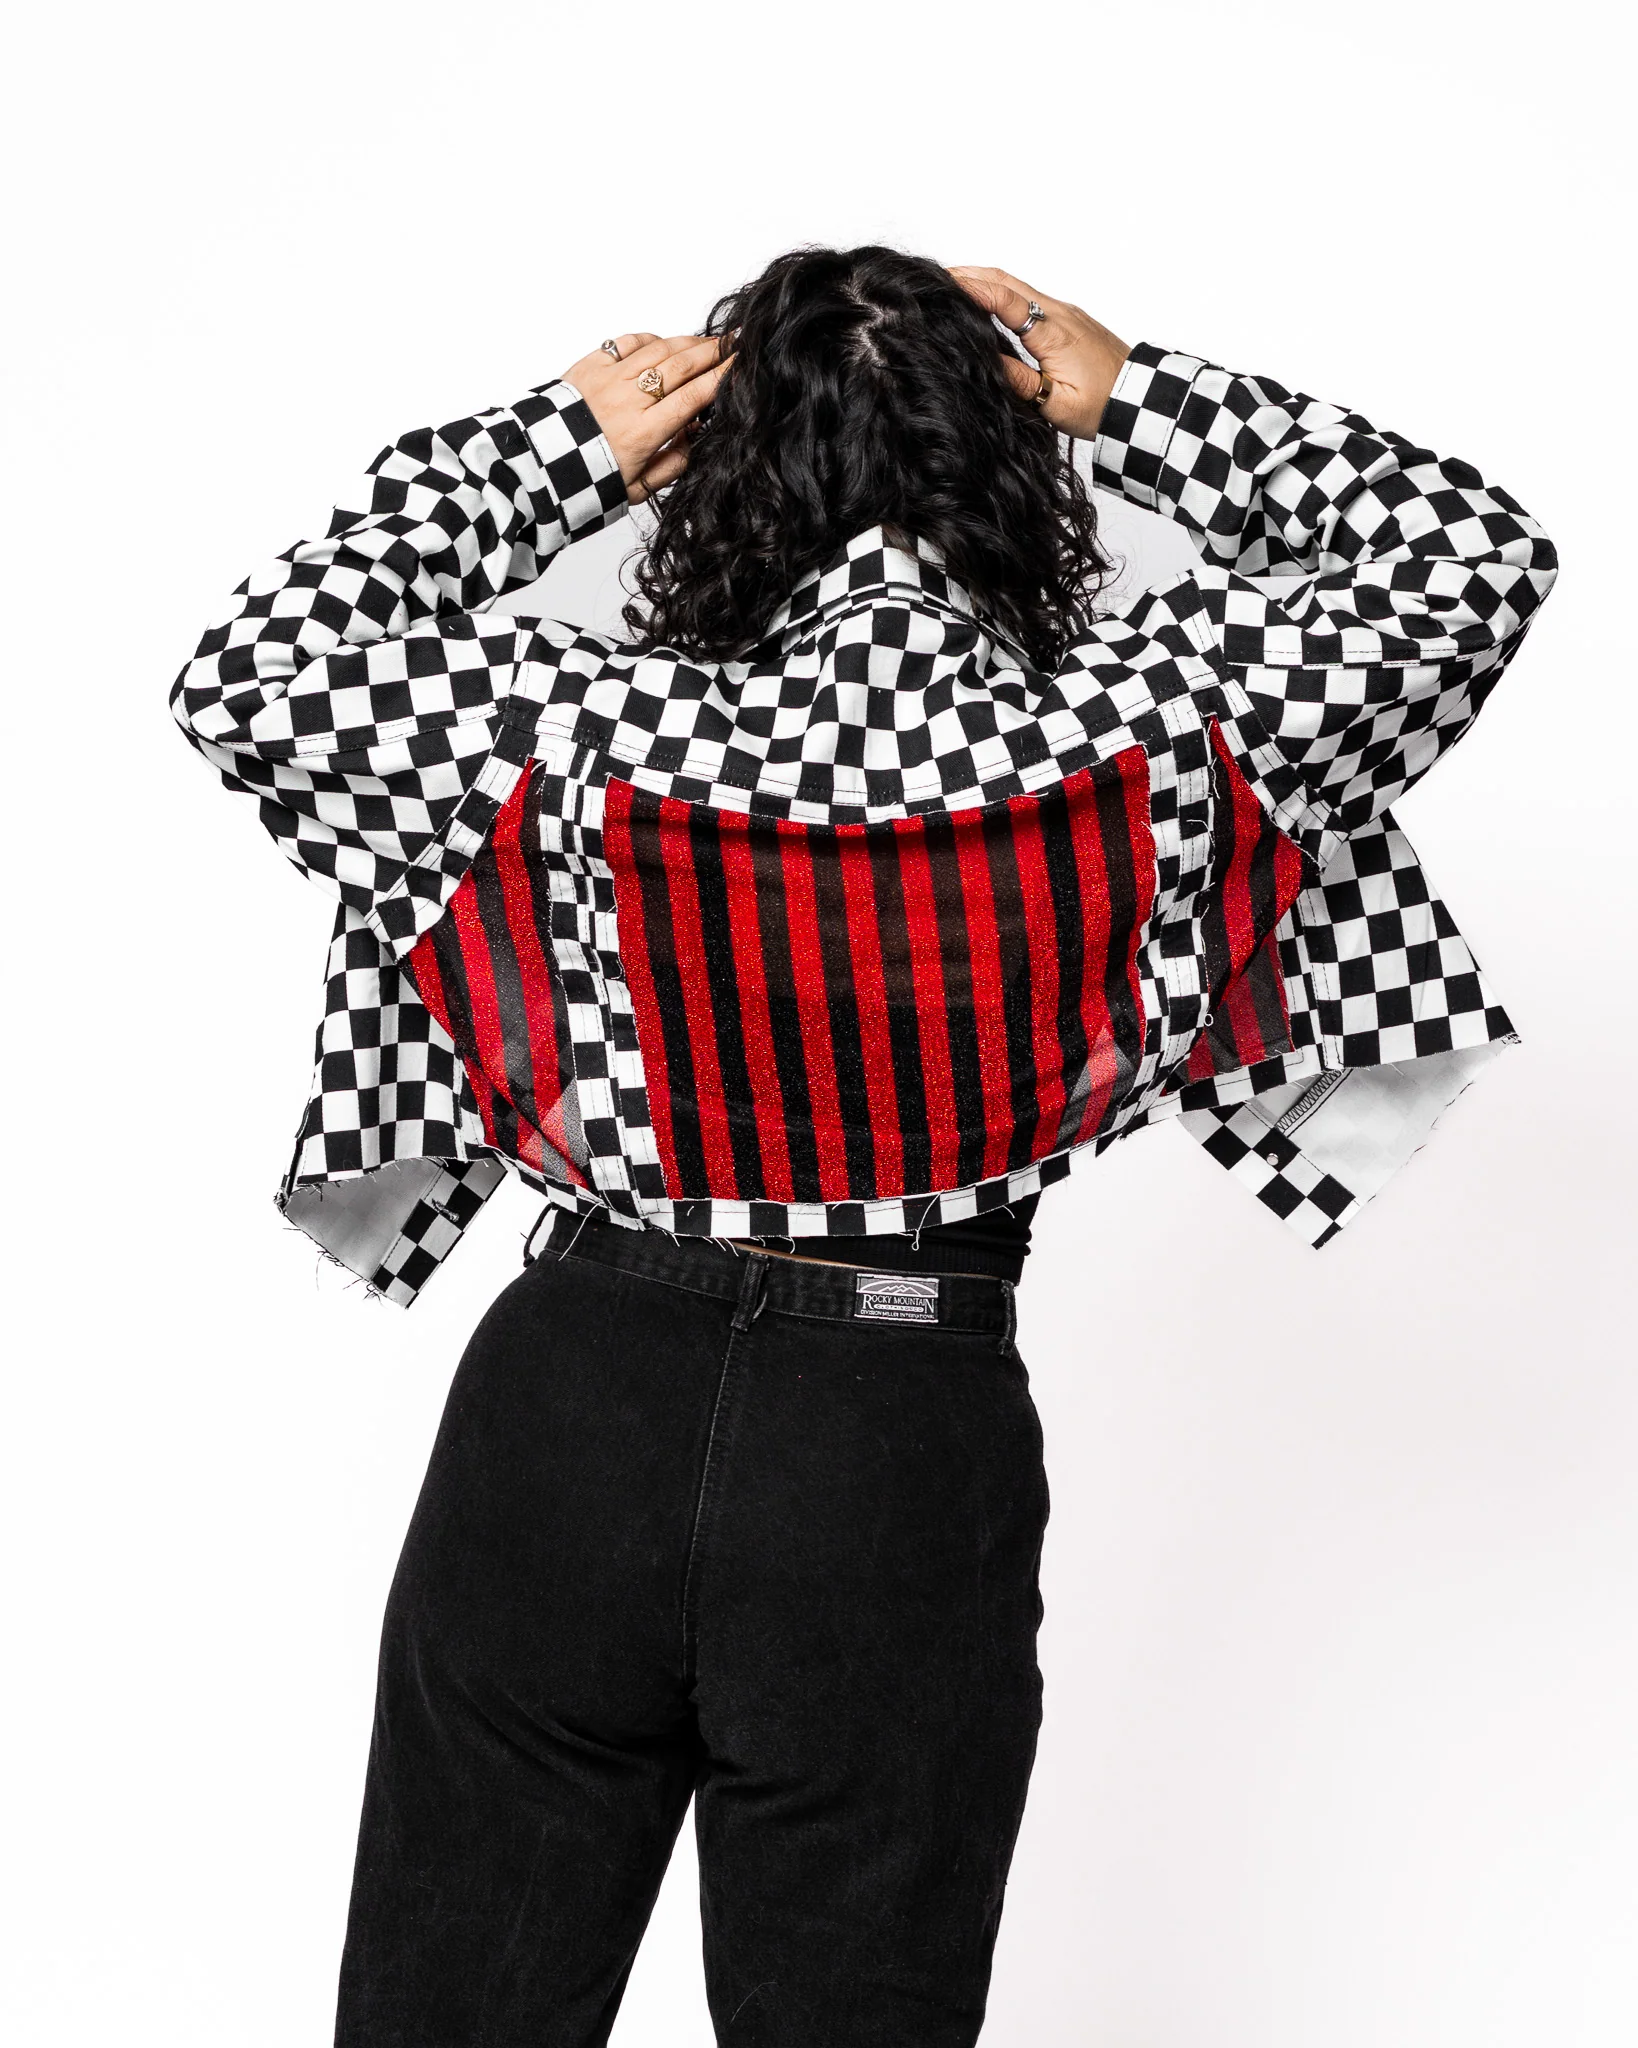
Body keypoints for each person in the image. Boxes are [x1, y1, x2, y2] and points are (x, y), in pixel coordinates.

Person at [171, 246, 1556, 2045]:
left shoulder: (563, 725)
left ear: (721, 480)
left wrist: (548, 449)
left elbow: (255, 673)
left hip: (575, 1398)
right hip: (897, 1429)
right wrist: (1145, 400)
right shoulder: (1155, 722)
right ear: (1010, 470)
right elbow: (1468, 556)